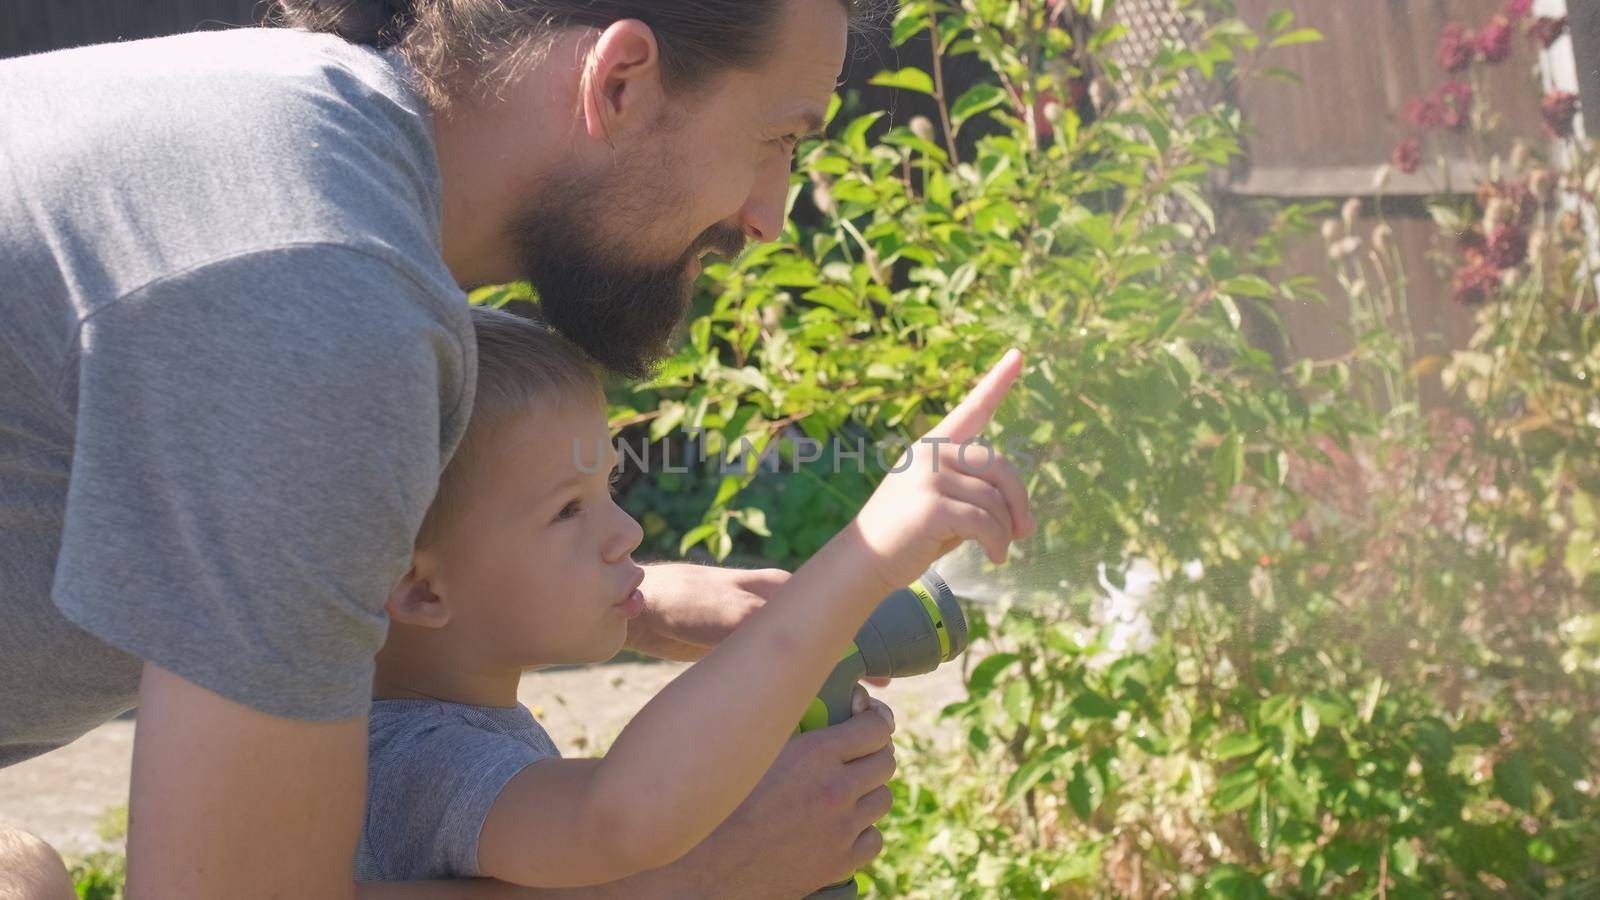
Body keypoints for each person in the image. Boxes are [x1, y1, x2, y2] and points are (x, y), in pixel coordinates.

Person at [0, 0, 944, 896]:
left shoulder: (304, 139)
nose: (770, 215)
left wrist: (638, 602)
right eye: (777, 139)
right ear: (619, 81)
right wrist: (680, 883)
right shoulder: (321, 295)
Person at [350, 307, 1031, 887]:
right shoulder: (421, 761)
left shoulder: (398, 721)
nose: (628, 533)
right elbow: (617, 818)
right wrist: (866, 557)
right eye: (567, 511)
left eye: (608, 491)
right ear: (419, 587)